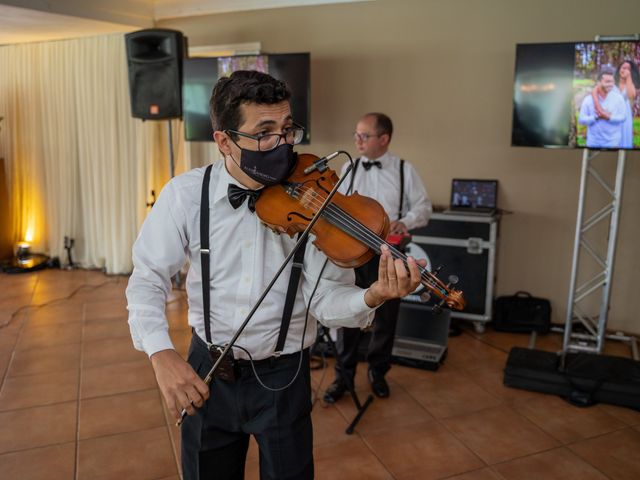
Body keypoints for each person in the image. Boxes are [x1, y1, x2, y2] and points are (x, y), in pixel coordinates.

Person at [125, 71, 424, 480]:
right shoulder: (184, 195)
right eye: (264, 133)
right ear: (225, 140)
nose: (282, 144)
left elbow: (325, 302)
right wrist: (160, 354)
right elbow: (147, 278)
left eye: (287, 130)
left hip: (285, 377)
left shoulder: (313, 202)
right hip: (208, 370)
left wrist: (371, 296)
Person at [323, 112, 432, 403]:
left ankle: (378, 372)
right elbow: (336, 207)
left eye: (364, 135)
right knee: (349, 313)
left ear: (383, 139)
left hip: (390, 252)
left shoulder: (404, 170)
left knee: (386, 317)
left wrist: (405, 221)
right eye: (356, 134)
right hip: (353, 255)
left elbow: (423, 207)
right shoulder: (349, 166)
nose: (357, 140)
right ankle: (343, 378)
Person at [591, 60, 639, 149]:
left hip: (624, 114)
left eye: (628, 69)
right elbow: (595, 90)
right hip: (610, 112)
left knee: (624, 137)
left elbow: (631, 95)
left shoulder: (631, 83)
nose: (625, 70)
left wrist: (628, 77)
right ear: (619, 69)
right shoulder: (611, 80)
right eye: (624, 68)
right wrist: (598, 106)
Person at [579, 66, 627, 148]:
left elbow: (623, 117)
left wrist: (609, 117)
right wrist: (596, 117)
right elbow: (581, 119)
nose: (611, 84)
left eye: (612, 81)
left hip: (613, 143)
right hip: (593, 143)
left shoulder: (618, 98)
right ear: (599, 82)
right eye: (607, 81)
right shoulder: (588, 100)